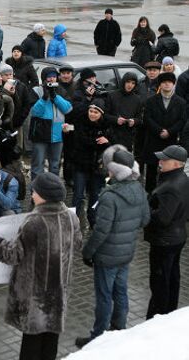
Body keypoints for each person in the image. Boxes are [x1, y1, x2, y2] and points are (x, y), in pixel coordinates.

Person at [0, 172, 82, 360]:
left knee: (31, 344)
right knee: (50, 342)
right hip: (58, 292)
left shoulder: (34, 222)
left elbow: (13, 255)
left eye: (35, 191)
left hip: (35, 296)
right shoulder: (71, 217)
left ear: (44, 195)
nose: (32, 194)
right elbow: (77, 245)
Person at [75, 146, 149, 348]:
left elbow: (101, 232)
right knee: (121, 291)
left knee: (104, 297)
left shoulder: (109, 197)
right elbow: (145, 220)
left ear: (114, 171)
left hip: (106, 257)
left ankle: (98, 337)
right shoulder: (139, 189)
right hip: (126, 253)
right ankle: (119, 329)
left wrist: (87, 252)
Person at [144, 145, 189, 319]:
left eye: (165, 159)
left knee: (160, 283)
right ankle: (169, 312)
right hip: (176, 238)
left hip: (164, 241)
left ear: (177, 164)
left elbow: (163, 218)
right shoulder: (182, 179)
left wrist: (146, 210)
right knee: (172, 278)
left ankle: (156, 318)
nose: (160, 161)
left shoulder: (171, 186)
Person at [141, 72, 186, 192]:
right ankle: (150, 195)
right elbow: (147, 118)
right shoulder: (151, 101)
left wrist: (170, 132)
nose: (166, 85)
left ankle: (166, 195)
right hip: (153, 140)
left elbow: (182, 120)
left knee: (169, 172)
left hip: (170, 141)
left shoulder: (181, 102)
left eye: (169, 82)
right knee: (151, 172)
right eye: (164, 82)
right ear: (160, 85)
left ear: (173, 84)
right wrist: (159, 130)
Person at [28, 67, 73, 180]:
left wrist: (55, 96)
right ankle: (36, 193)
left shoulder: (61, 90)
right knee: (38, 166)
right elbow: (35, 112)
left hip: (57, 134)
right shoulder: (36, 90)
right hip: (40, 133)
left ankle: (53, 191)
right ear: (44, 78)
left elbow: (68, 109)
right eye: (49, 77)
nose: (51, 79)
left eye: (54, 76)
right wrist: (44, 98)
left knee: (55, 165)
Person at [71, 100, 110, 227]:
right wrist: (97, 142)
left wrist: (107, 142)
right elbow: (81, 141)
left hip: (97, 168)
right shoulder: (80, 123)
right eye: (91, 111)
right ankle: (72, 222)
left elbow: (110, 147)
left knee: (95, 195)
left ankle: (93, 220)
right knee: (78, 195)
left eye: (96, 112)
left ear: (101, 114)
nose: (92, 114)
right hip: (81, 165)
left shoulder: (107, 127)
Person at [105, 72, 143, 151]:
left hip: (128, 137)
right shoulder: (112, 95)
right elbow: (105, 115)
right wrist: (116, 120)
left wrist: (134, 121)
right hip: (112, 135)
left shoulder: (137, 99)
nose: (130, 85)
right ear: (124, 82)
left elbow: (139, 119)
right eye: (128, 82)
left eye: (133, 83)